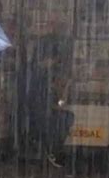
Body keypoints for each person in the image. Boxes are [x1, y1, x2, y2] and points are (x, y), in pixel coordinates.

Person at [17, 37, 75, 167]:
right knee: (66, 118)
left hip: (35, 112)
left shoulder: (34, 71)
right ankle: (53, 149)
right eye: (54, 59)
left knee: (65, 117)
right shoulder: (38, 75)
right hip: (35, 114)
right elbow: (41, 100)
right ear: (47, 58)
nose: (55, 63)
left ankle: (52, 149)